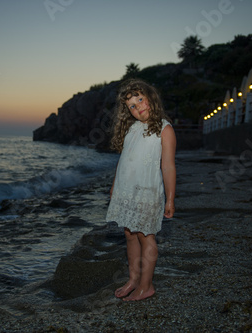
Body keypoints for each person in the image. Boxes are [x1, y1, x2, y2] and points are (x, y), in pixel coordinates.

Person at [106, 78, 176, 301]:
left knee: (146, 236)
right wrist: (115, 186)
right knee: (129, 234)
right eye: (132, 106)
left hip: (147, 192)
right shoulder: (132, 129)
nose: (138, 107)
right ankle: (133, 279)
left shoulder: (165, 129)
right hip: (127, 191)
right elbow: (124, 160)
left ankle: (147, 285)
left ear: (150, 97)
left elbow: (168, 166)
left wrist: (170, 199)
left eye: (140, 99)